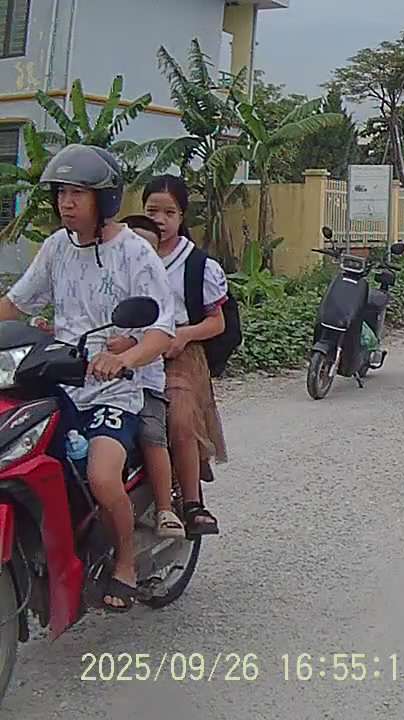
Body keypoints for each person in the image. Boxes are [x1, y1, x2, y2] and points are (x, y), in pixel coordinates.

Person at [0, 144, 176, 612]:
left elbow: (161, 331)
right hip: (58, 381)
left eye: (78, 193)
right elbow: (16, 304)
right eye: (61, 193)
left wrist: (126, 358)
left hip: (114, 390)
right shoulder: (57, 247)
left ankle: (125, 563)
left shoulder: (134, 252)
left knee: (100, 475)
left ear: (105, 199)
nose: (66, 203)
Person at [142, 175, 230, 537]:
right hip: (134, 347)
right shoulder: (128, 254)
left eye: (169, 213)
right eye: (152, 211)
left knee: (179, 417)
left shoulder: (197, 265)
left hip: (181, 352)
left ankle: (192, 503)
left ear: (182, 216)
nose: (160, 220)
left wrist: (184, 335)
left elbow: (217, 321)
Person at [117, 214, 185, 540]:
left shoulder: (158, 288)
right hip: (95, 383)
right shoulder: (104, 278)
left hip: (143, 382)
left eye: (147, 248)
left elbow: (161, 334)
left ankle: (164, 508)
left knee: (150, 434)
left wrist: (131, 345)